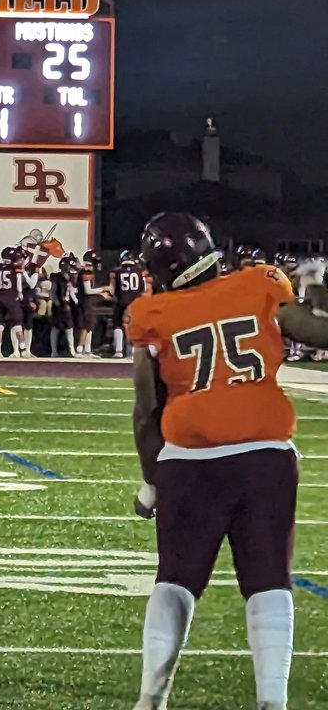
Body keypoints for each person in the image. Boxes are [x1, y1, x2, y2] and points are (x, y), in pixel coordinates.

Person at [128, 211, 328, 710]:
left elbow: (145, 412)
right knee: (268, 581)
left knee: (175, 578)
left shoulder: (151, 313)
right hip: (264, 457)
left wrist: (152, 482)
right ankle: (272, 701)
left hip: (190, 460)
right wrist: (317, 287)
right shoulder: (261, 283)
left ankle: (151, 698)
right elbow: (320, 333)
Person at [109, 249, 148, 358]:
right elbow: (143, 288)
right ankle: (132, 351)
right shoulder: (140, 271)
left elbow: (112, 290)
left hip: (121, 301)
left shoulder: (116, 271)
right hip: (135, 302)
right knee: (134, 325)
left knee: (118, 324)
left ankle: (118, 351)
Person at [50, 253, 79, 357]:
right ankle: (54, 351)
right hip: (59, 305)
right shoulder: (57, 277)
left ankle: (71, 350)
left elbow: (71, 291)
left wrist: (76, 302)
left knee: (69, 328)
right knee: (56, 328)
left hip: (67, 305)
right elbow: (53, 292)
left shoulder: (71, 277)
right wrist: (57, 303)